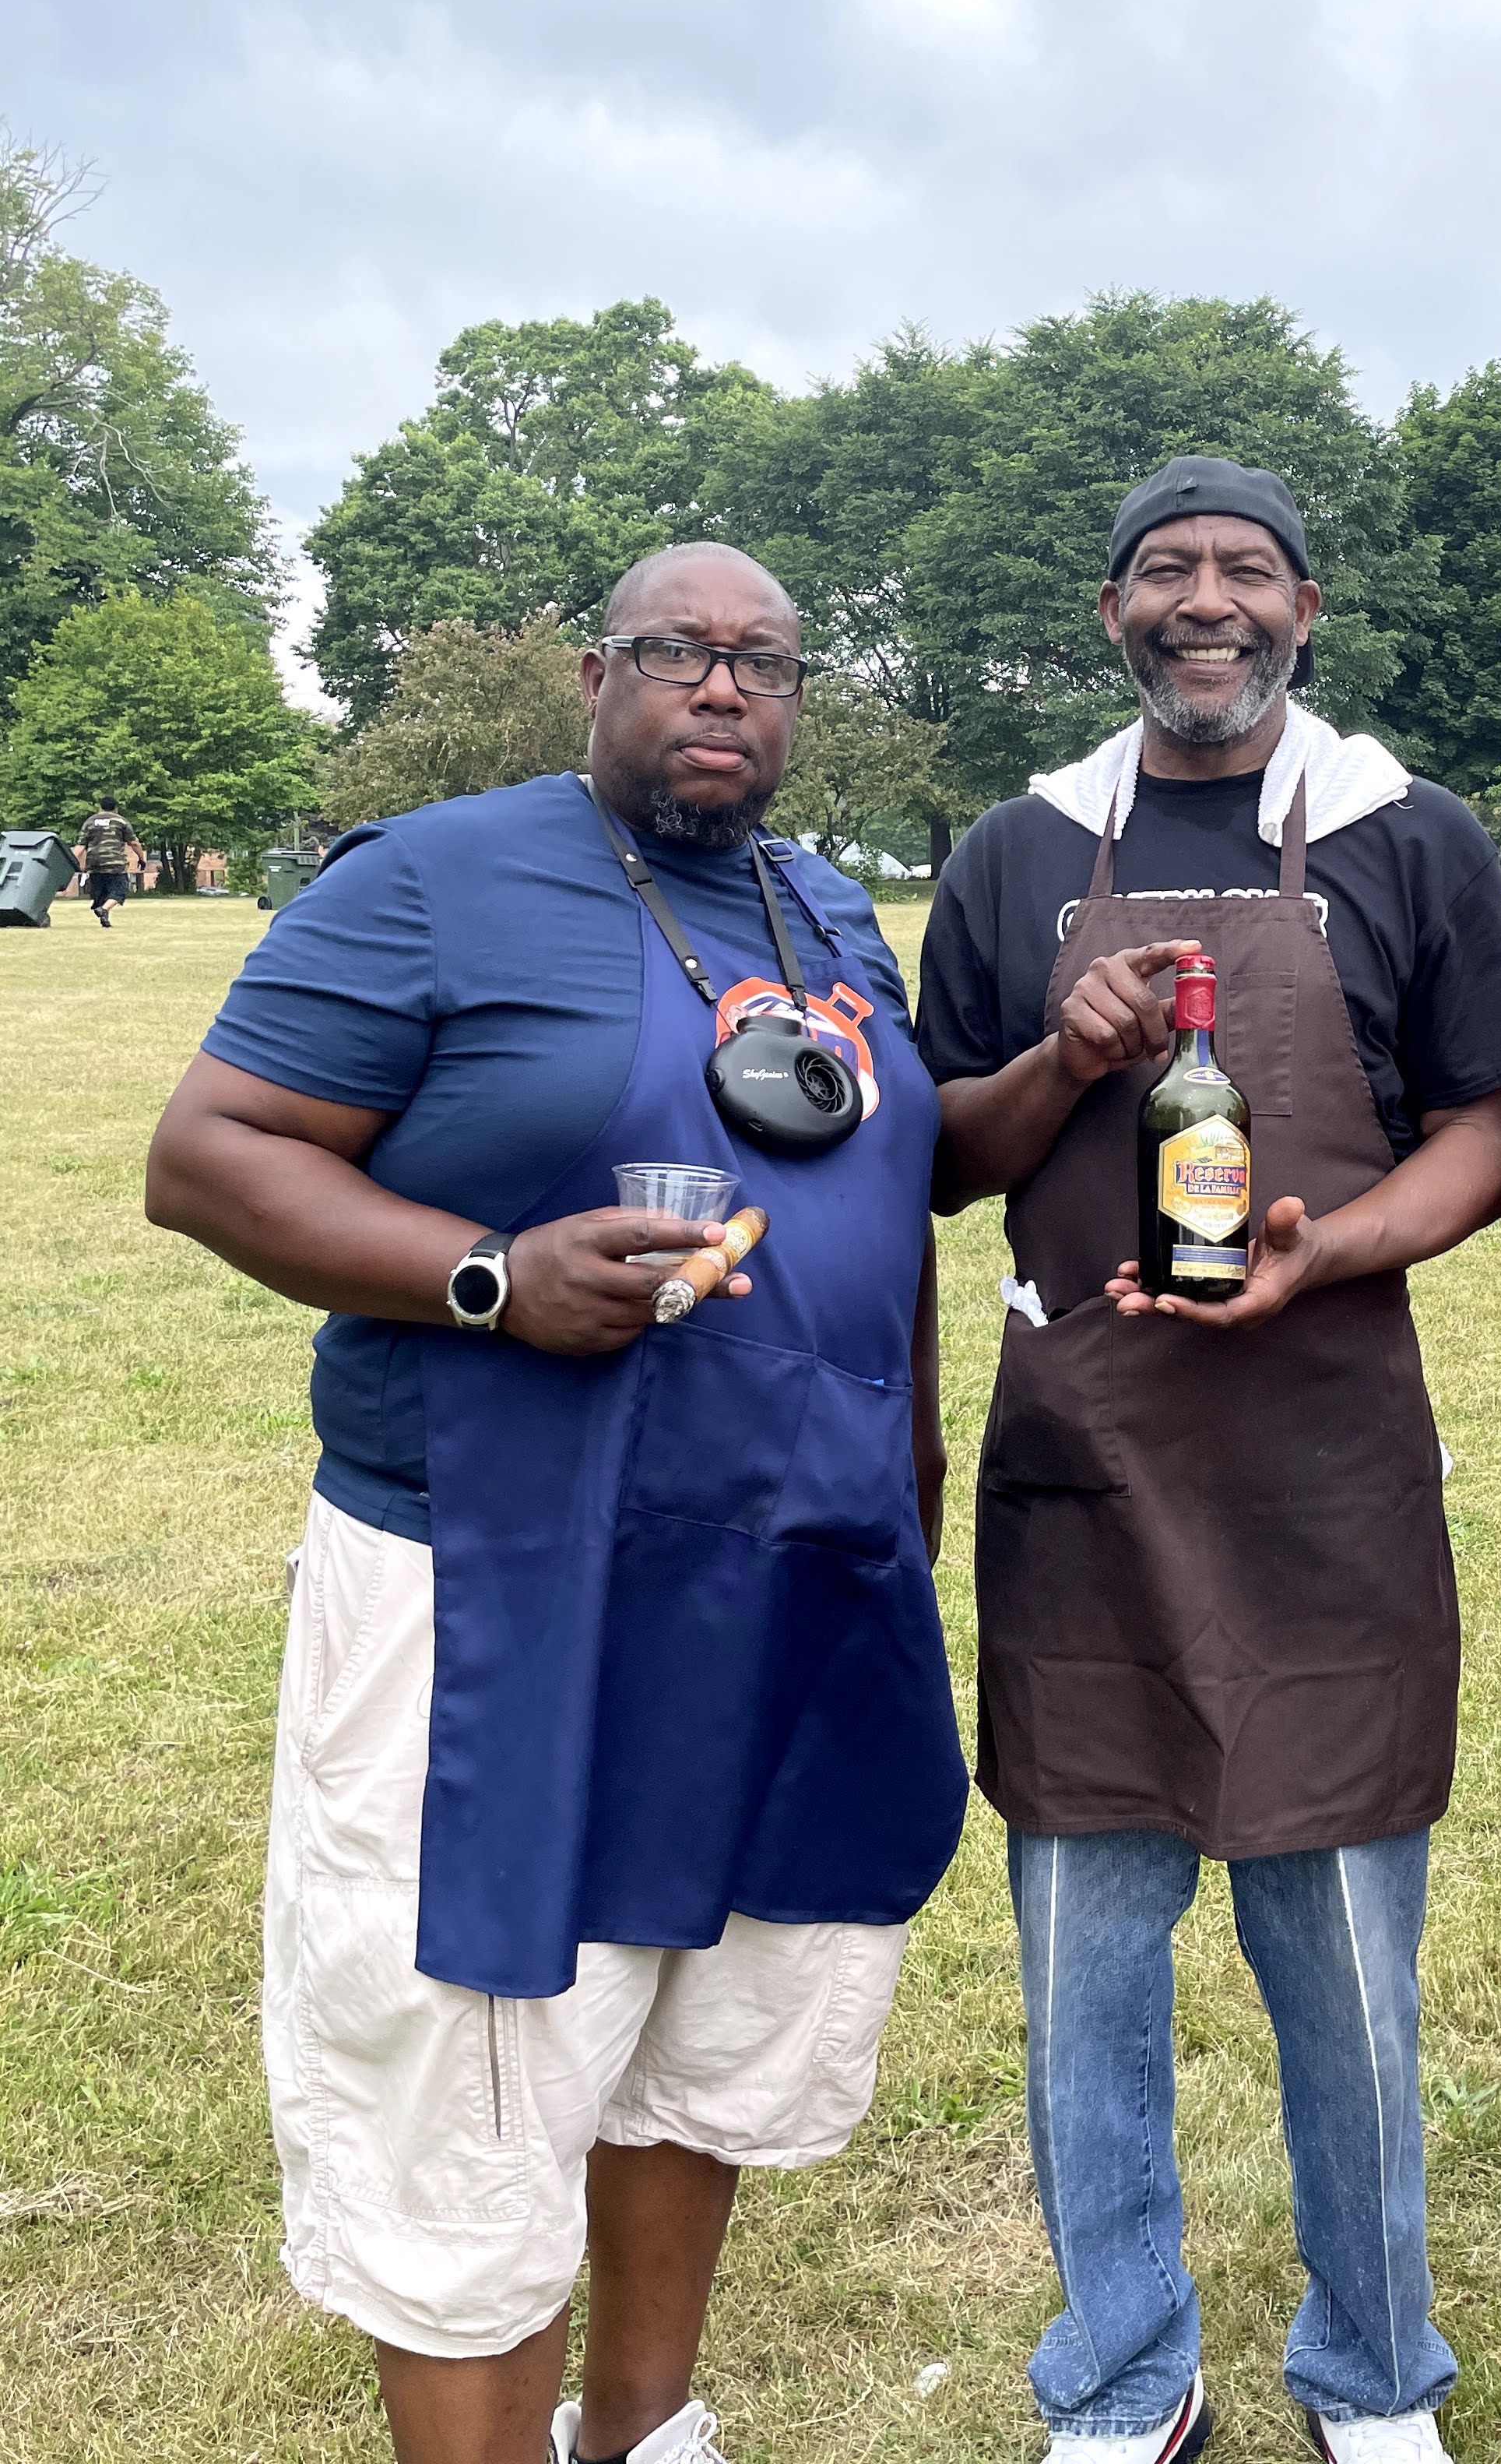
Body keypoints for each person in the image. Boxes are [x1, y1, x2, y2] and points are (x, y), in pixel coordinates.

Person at [146, 545, 965, 2464]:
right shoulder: (432, 878)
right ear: (597, 674)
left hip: (782, 1574)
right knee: (476, 2081)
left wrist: (912, 1452)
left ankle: (642, 2432)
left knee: (701, 2032)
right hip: (500, 1585)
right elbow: (207, 1154)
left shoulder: (825, 908)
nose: (722, 687)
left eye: (764, 662)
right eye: (678, 651)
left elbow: (886, 1184)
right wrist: (488, 1278)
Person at [919, 457, 1501, 2464]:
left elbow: (1489, 1127)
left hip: (1323, 1479)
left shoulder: (1406, 835)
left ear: (1306, 609)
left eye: (1248, 570)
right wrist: (1064, 1057)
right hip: (1087, 1481)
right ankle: (1125, 2374)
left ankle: (1375, 2371)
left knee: (1349, 1979)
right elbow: (943, 1157)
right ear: (1111, 612)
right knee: (1085, 1976)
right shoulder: (1017, 851)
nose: (1209, 601)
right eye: (1167, 571)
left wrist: (1331, 1249)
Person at [75, 794, 145, 924]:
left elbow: (81, 845)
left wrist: (72, 861)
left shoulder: (90, 821)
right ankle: (104, 909)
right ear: (115, 808)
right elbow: (134, 843)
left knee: (101, 894)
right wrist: (141, 859)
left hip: (94, 864)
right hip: (115, 864)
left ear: (100, 807)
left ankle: (104, 917)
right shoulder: (120, 821)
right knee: (120, 890)